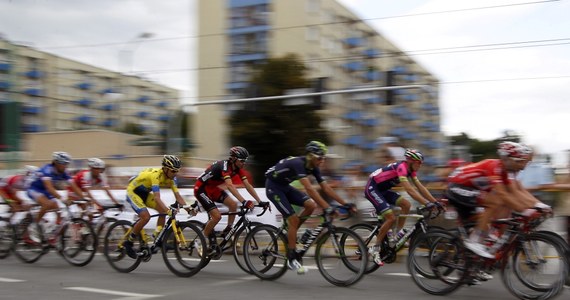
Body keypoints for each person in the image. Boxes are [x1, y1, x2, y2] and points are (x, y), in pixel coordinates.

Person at [446, 141, 551, 259]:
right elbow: (502, 194)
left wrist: (539, 205)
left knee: (494, 210)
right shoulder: (494, 166)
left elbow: (518, 192)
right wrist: (525, 211)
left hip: (470, 189)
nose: (523, 165)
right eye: (520, 161)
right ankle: (474, 240)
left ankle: (473, 257)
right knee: (495, 201)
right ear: (509, 160)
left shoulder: (506, 172)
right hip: (456, 186)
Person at [264, 141, 356, 274]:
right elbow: (309, 189)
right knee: (294, 219)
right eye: (320, 157)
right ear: (310, 156)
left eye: (323, 158)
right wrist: (327, 207)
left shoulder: (314, 167)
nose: (322, 161)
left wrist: (345, 204)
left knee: (310, 205)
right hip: (273, 187)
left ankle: (292, 232)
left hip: (285, 187)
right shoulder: (298, 164)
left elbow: (326, 187)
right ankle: (291, 258)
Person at [364, 148, 440, 266]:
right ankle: (375, 248)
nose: (420, 165)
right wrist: (426, 203)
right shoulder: (402, 167)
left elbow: (420, 188)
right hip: (372, 188)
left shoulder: (411, 171)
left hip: (383, 190)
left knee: (406, 204)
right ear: (410, 161)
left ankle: (396, 235)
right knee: (390, 218)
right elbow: (410, 190)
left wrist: (435, 202)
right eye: (419, 162)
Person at [193, 146, 266, 254]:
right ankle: (200, 241)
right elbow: (230, 186)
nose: (243, 163)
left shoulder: (237, 169)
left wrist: (259, 201)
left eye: (245, 161)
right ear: (233, 159)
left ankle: (228, 229)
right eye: (242, 161)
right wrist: (244, 201)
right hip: (201, 189)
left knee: (232, 205)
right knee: (217, 216)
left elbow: (248, 185)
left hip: (213, 189)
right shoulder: (225, 167)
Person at [123, 155, 189, 258]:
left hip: (144, 193)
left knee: (162, 211)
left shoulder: (172, 179)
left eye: (177, 171)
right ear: (165, 169)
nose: (175, 173)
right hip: (133, 191)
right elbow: (157, 198)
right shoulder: (156, 176)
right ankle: (129, 242)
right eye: (173, 171)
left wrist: (187, 208)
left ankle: (157, 237)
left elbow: (178, 196)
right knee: (146, 217)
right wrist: (168, 210)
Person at [27, 152, 85, 243]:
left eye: (67, 164)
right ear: (56, 163)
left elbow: (74, 186)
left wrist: (84, 197)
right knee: (47, 204)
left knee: (58, 210)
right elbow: (50, 188)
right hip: (34, 188)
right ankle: (34, 226)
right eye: (64, 164)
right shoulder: (47, 170)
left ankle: (52, 234)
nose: (66, 166)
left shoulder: (63, 172)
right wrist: (62, 199)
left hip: (45, 190)